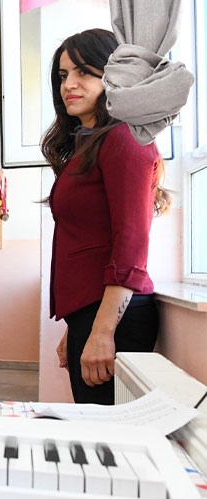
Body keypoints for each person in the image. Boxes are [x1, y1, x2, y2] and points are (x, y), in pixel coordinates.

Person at [45, 29, 168, 405]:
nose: (70, 84)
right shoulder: (94, 143)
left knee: (107, 440)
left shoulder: (125, 137)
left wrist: (101, 330)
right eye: (64, 75)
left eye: (84, 72)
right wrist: (77, 325)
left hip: (115, 316)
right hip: (95, 312)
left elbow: (131, 243)